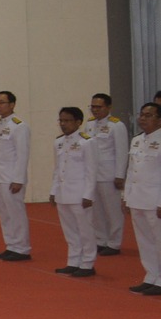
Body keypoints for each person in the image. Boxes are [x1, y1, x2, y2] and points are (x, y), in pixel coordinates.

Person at [48, 106, 99, 278]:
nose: (63, 124)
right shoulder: (59, 142)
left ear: (78, 122)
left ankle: (87, 263)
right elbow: (58, 169)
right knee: (70, 230)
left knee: (85, 230)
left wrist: (88, 195)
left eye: (68, 120)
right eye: (61, 120)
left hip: (80, 194)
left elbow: (92, 171)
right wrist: (54, 190)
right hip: (63, 192)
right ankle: (73, 261)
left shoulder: (87, 141)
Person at [80, 93, 129, 256]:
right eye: (92, 106)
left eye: (99, 107)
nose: (95, 110)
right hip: (92, 174)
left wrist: (120, 175)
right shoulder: (90, 124)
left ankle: (114, 243)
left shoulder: (116, 126)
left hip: (109, 174)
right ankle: (101, 240)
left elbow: (122, 151)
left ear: (108, 107)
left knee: (112, 211)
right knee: (96, 211)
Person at [0, 91, 33, 261]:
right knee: (5, 213)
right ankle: (11, 245)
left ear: (12, 105)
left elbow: (22, 155)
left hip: (11, 176)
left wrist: (18, 179)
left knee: (16, 212)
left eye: (2, 102)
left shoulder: (19, 126)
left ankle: (22, 248)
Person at [123, 103, 161, 296]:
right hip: (138, 197)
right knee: (144, 240)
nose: (143, 118)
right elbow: (131, 170)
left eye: (149, 115)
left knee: (159, 240)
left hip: (155, 200)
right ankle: (151, 276)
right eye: (142, 115)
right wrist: (126, 196)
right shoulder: (137, 140)